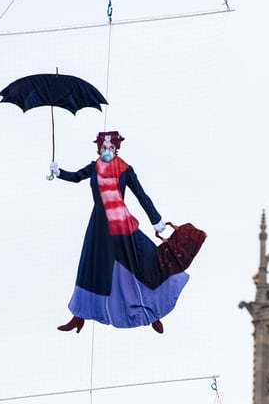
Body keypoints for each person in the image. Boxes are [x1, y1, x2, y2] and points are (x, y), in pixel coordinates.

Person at [49, 131, 188, 334]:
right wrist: (59, 172)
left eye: (111, 148)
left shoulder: (125, 170)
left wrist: (155, 219)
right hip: (99, 226)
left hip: (122, 224)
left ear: (116, 149)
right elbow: (77, 177)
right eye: (104, 148)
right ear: (99, 149)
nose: (107, 151)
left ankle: (152, 312)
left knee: (144, 259)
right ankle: (79, 316)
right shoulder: (94, 167)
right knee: (90, 268)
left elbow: (141, 195)